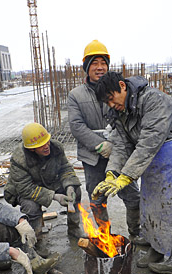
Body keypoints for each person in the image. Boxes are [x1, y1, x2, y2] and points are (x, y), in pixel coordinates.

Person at [93, 71, 172, 267]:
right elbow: (121, 145)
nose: (111, 105)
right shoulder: (122, 112)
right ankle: (155, 246)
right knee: (151, 206)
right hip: (152, 163)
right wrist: (112, 174)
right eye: (106, 103)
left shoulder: (154, 100)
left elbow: (149, 142)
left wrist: (126, 177)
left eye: (111, 99)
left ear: (122, 86)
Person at [67, 40, 142, 242]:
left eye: (103, 63)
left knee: (133, 196)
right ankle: (105, 236)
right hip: (92, 157)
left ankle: (136, 233)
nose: (99, 67)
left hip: (120, 154)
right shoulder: (76, 95)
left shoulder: (118, 89)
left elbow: (126, 119)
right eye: (94, 63)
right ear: (86, 67)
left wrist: (116, 145)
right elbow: (77, 126)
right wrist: (100, 145)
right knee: (97, 197)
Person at [5, 122, 85, 240]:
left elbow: (65, 168)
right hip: (26, 189)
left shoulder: (56, 148)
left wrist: (70, 186)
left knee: (76, 191)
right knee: (31, 207)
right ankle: (37, 238)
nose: (47, 146)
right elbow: (25, 188)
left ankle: (74, 228)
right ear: (32, 149)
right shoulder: (19, 159)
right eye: (41, 145)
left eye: (47, 141)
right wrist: (55, 196)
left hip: (49, 181)